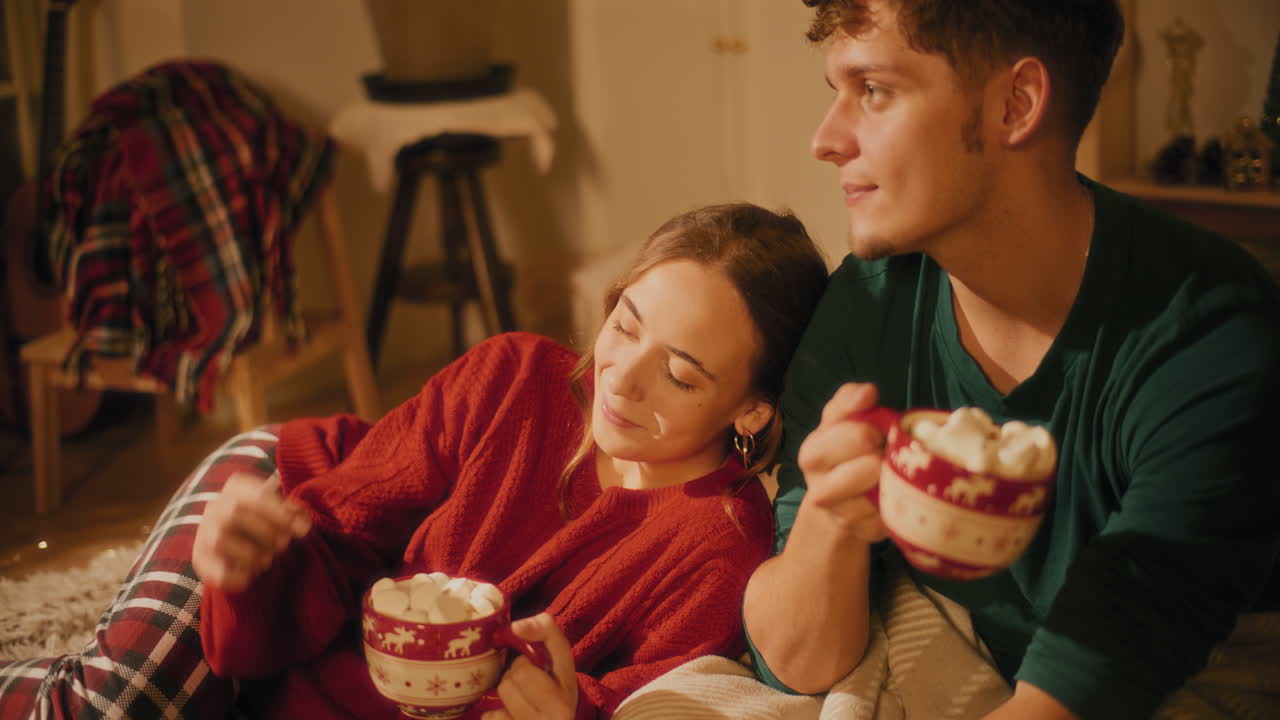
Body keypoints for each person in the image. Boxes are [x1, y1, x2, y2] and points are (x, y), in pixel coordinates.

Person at [742, 2, 1280, 719]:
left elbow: (1103, 664)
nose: (826, 139)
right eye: (835, 93)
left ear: (1015, 105)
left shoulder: (1209, 330)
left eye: (873, 91)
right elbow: (799, 662)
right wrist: (830, 522)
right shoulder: (866, 306)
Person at [189, 202, 829, 720]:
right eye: (625, 327)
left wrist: (572, 712)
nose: (622, 381)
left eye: (681, 375)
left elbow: (637, 704)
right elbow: (332, 532)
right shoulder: (511, 376)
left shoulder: (721, 551)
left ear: (752, 411)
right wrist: (246, 566)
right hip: (275, 489)